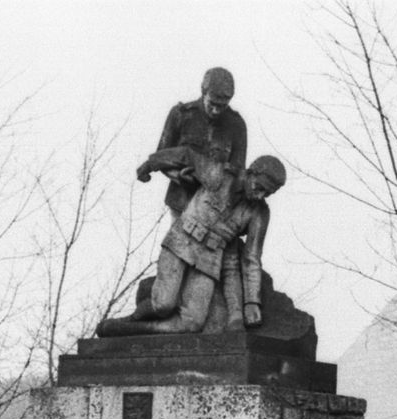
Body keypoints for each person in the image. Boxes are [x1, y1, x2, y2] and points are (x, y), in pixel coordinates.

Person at [100, 149, 287, 336]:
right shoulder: (220, 175)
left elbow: (251, 258)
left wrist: (252, 302)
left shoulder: (259, 213)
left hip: (209, 260)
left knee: (192, 323)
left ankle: (129, 329)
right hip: (181, 242)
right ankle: (135, 317)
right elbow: (186, 155)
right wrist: (150, 164)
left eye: (267, 193)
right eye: (259, 187)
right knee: (163, 304)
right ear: (251, 173)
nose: (260, 195)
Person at [150, 67, 247, 215]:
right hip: (181, 203)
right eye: (212, 104)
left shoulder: (237, 125)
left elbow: (238, 173)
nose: (216, 110)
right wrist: (178, 176)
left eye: (222, 106)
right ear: (203, 92)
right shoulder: (181, 114)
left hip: (214, 209)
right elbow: (161, 156)